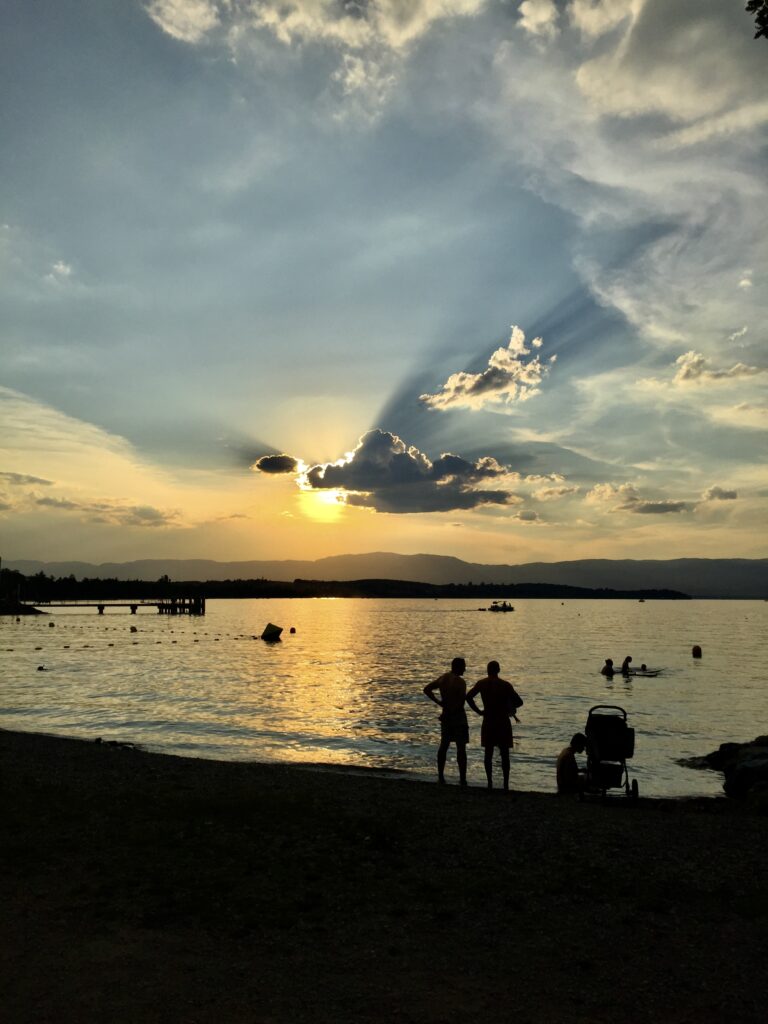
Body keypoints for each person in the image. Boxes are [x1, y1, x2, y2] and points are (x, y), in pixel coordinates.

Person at [466, 661, 522, 791]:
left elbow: (468, 697)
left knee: (488, 753)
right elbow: (519, 702)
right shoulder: (506, 685)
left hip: (488, 720)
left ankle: (490, 782)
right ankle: (506, 784)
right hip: (503, 721)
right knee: (505, 754)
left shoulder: (481, 683)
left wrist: (479, 711)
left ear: (487, 670)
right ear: (499, 670)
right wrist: (508, 707)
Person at [423, 657, 469, 786]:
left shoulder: (443, 678)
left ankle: (441, 776)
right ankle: (462, 778)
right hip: (458, 717)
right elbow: (461, 702)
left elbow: (427, 689)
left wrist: (439, 703)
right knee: (461, 748)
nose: (465, 669)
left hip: (446, 716)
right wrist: (453, 710)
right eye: (463, 666)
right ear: (458, 667)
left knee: (444, 746)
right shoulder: (460, 682)